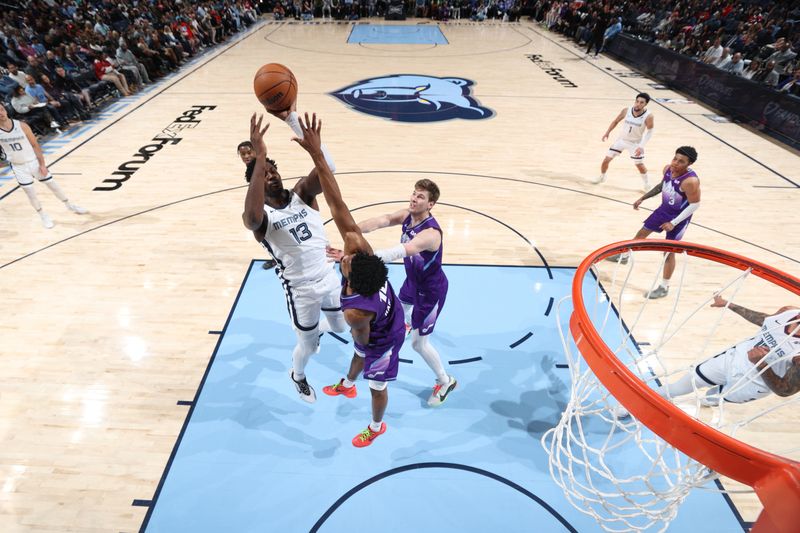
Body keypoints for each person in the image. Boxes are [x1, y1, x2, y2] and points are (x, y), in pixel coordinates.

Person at [293, 113, 406, 447]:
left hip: (383, 337)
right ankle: (348, 382)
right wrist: (316, 154)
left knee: (376, 381)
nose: (347, 253)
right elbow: (335, 201)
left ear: (352, 279)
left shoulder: (355, 312)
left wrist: (371, 353)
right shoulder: (362, 252)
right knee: (357, 351)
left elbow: (365, 338)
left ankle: (375, 425)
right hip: (377, 317)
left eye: (347, 261)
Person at [241, 114, 346, 404]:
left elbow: (329, 168)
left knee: (341, 326)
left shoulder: (302, 192)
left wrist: (294, 121)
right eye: (263, 174)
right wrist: (259, 158)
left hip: (328, 276)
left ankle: (315, 332)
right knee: (308, 347)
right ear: (256, 186)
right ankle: (298, 376)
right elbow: (249, 220)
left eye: (272, 170)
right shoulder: (261, 218)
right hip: (301, 291)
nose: (270, 175)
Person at [327, 179, 457, 406]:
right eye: (414, 194)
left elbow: (403, 250)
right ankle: (404, 326)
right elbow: (382, 220)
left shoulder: (431, 233)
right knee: (399, 310)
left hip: (431, 290)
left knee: (419, 344)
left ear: (431, 204)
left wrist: (358, 259)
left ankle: (445, 381)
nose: (414, 199)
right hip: (413, 282)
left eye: (421, 197)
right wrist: (353, 232)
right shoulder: (407, 215)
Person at [658, 295, 800, 405]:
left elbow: (785, 390)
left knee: (712, 398)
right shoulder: (788, 311)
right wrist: (729, 304)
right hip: (733, 359)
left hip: (753, 383)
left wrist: (761, 364)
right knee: (680, 386)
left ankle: (708, 402)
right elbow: (765, 320)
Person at [606, 146, 700, 300]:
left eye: (681, 161)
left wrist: (673, 222)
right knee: (641, 233)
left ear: (689, 164)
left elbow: (695, 205)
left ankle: (664, 286)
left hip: (679, 218)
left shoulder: (690, 181)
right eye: (675, 158)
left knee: (668, 252)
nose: (676, 163)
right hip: (663, 210)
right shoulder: (668, 169)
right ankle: (624, 257)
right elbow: (662, 186)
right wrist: (643, 197)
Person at [0, 104, 87, 228]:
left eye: (2, 109)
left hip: (33, 162)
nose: (0, 113)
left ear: (6, 110)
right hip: (18, 166)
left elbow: (35, 145)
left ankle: (69, 205)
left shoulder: (22, 126)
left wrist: (42, 165)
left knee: (53, 185)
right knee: (30, 192)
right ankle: (43, 215)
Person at [591, 93, 654, 191]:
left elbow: (650, 131)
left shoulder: (648, 116)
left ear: (645, 104)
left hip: (635, 144)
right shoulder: (626, 110)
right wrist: (607, 132)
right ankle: (602, 176)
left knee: (639, 165)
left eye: (641, 102)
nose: (638, 104)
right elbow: (615, 121)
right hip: (621, 140)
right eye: (637, 101)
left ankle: (647, 184)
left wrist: (641, 146)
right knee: (606, 160)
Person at [237, 139, 276, 271]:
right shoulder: (250, 168)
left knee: (268, 231)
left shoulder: (260, 165)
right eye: (243, 154)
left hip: (269, 201)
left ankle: (277, 258)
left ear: (255, 152)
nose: (246, 156)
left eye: (249, 152)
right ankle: (276, 257)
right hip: (263, 201)